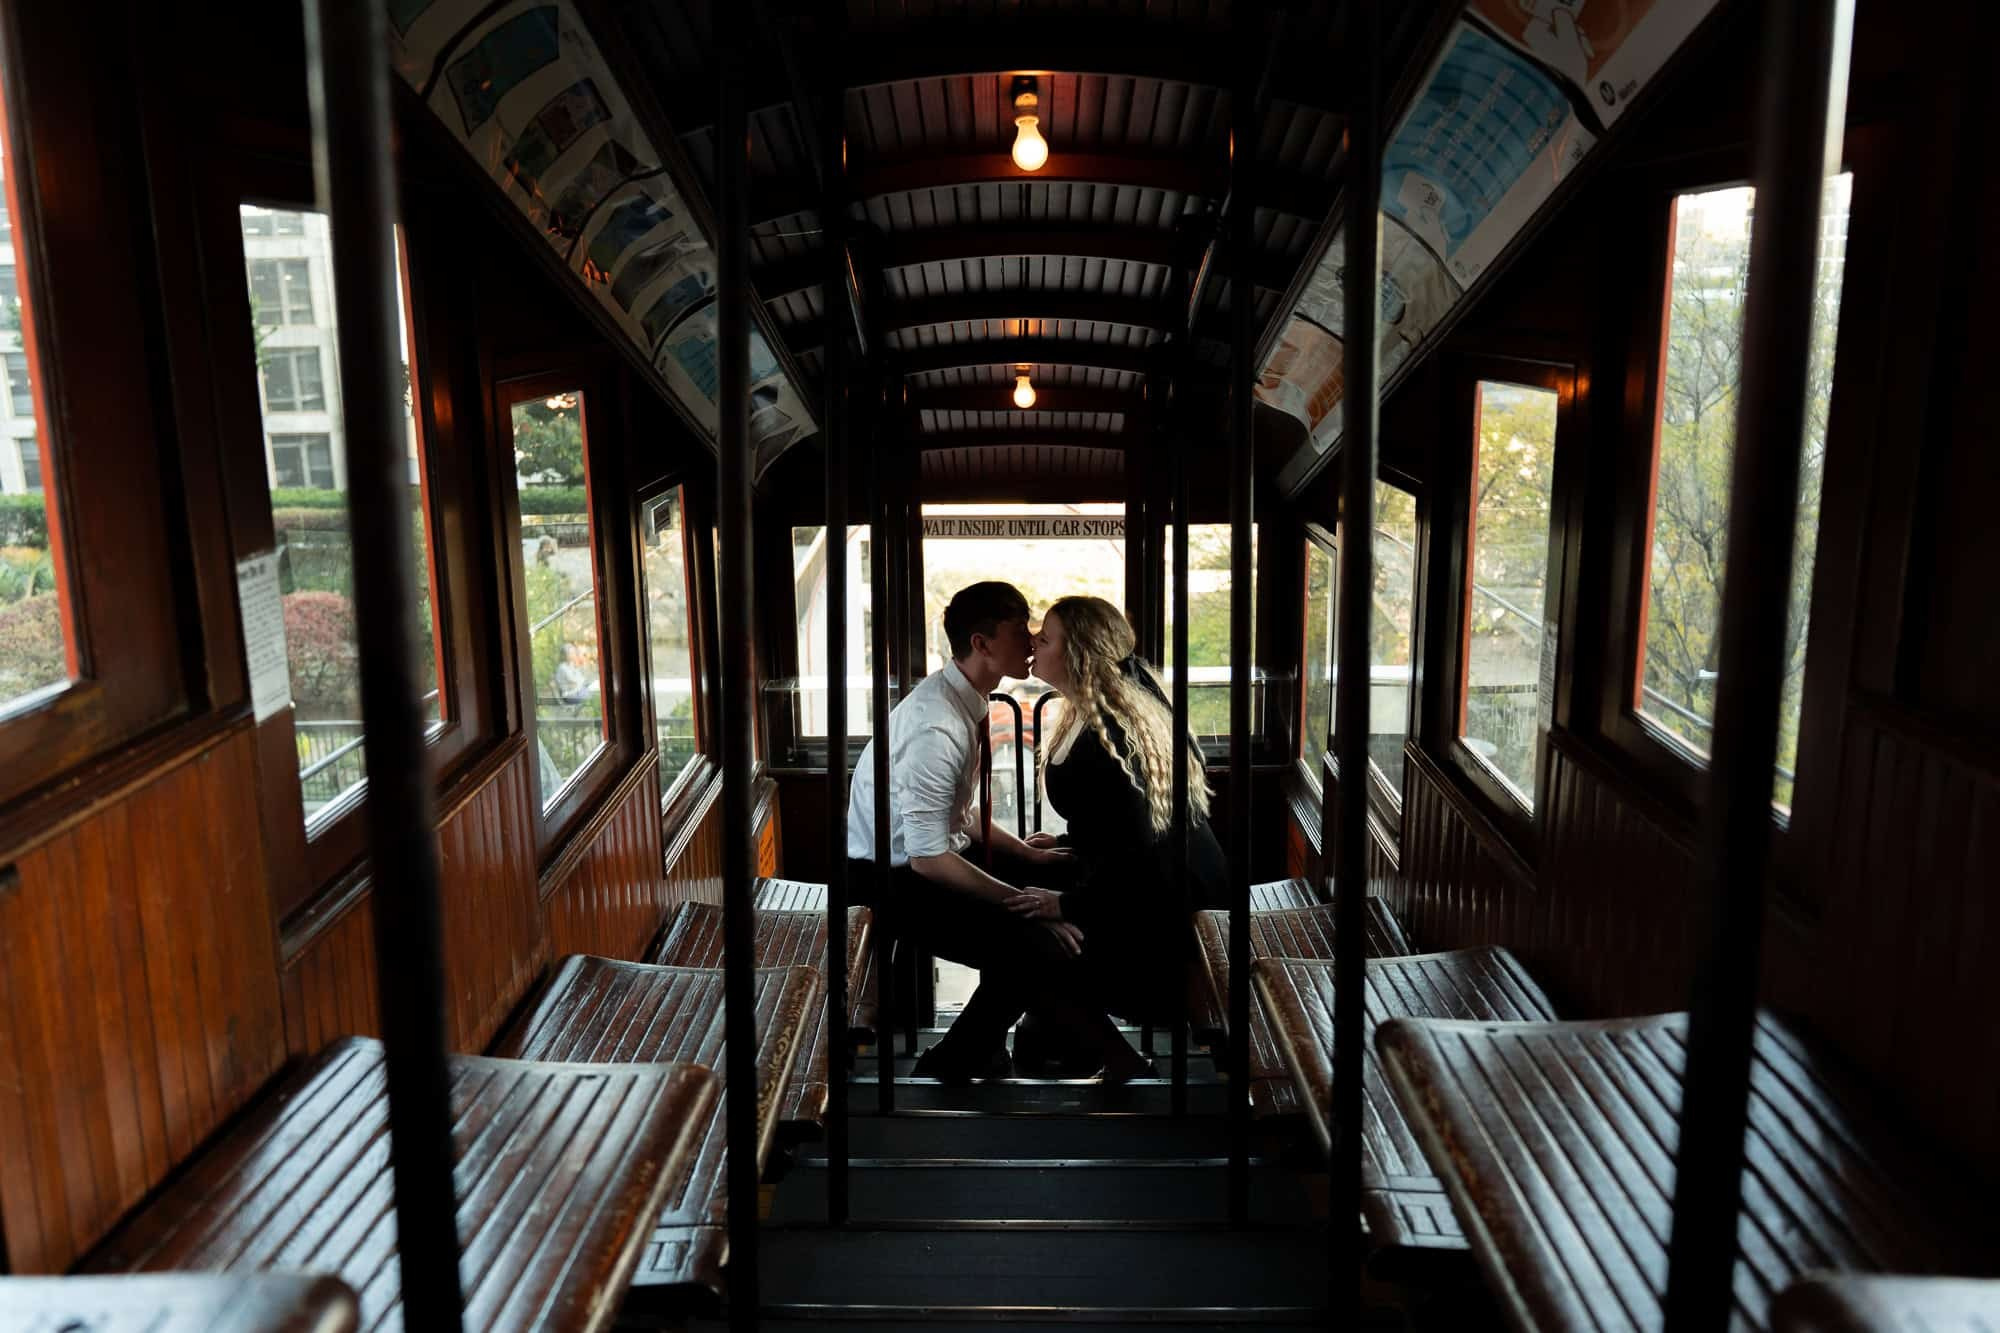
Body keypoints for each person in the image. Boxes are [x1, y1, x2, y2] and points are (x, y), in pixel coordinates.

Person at [847, 581, 1148, 1082]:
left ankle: (1020, 1042)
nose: (1031, 641)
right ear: (981, 644)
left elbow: (957, 814)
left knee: (1062, 880)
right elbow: (927, 858)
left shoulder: (966, 700)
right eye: (1019, 632)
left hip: (932, 859)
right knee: (1033, 941)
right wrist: (1023, 901)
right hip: (893, 880)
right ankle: (1097, 1057)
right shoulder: (935, 726)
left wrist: (1027, 860)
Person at [1017, 596, 1228, 1027]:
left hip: (1166, 909)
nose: (1033, 642)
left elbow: (1137, 855)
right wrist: (1065, 842)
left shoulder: (1110, 735)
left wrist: (1067, 905)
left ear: (1078, 652)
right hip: (1141, 883)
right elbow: (1114, 824)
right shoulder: (1089, 709)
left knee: (1026, 938)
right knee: (1021, 887)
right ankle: (1050, 1043)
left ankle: (1098, 1054)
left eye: (1046, 637)